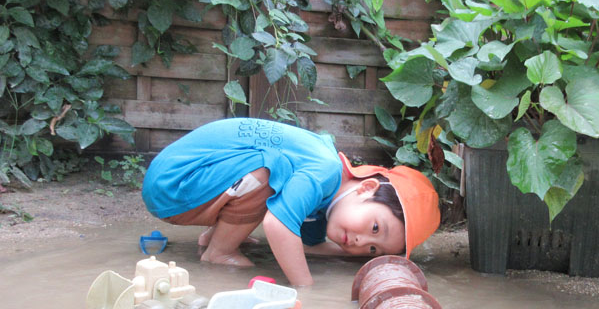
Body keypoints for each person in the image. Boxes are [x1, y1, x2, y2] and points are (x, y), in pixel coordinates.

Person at [141, 117, 440, 286]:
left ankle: (216, 237)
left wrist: (357, 257)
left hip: (191, 187)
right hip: (173, 181)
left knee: (274, 182)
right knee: (268, 172)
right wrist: (305, 288)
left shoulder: (325, 205)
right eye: (375, 228)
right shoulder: (325, 170)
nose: (362, 242)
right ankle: (219, 251)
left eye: (373, 249)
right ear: (366, 188)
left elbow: (304, 245)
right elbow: (278, 226)